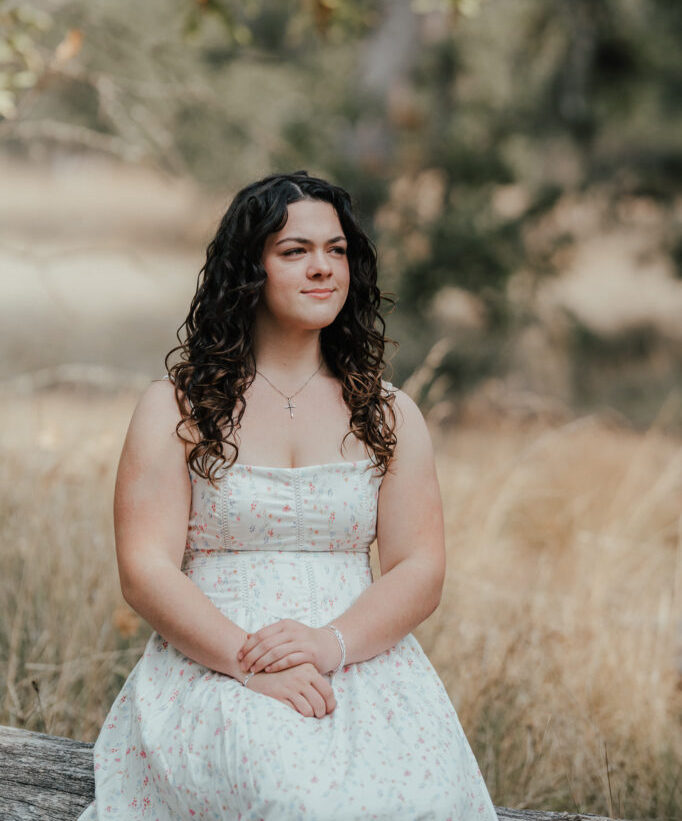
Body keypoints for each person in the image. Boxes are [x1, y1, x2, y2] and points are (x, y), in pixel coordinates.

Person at [76, 170, 498, 821]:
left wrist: (331, 645)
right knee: (286, 793)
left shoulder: (389, 413)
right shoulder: (177, 407)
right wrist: (250, 665)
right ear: (250, 269)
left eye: (336, 250)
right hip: (216, 664)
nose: (322, 267)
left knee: (418, 800)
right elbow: (145, 569)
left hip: (363, 663)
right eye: (295, 251)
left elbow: (420, 568)